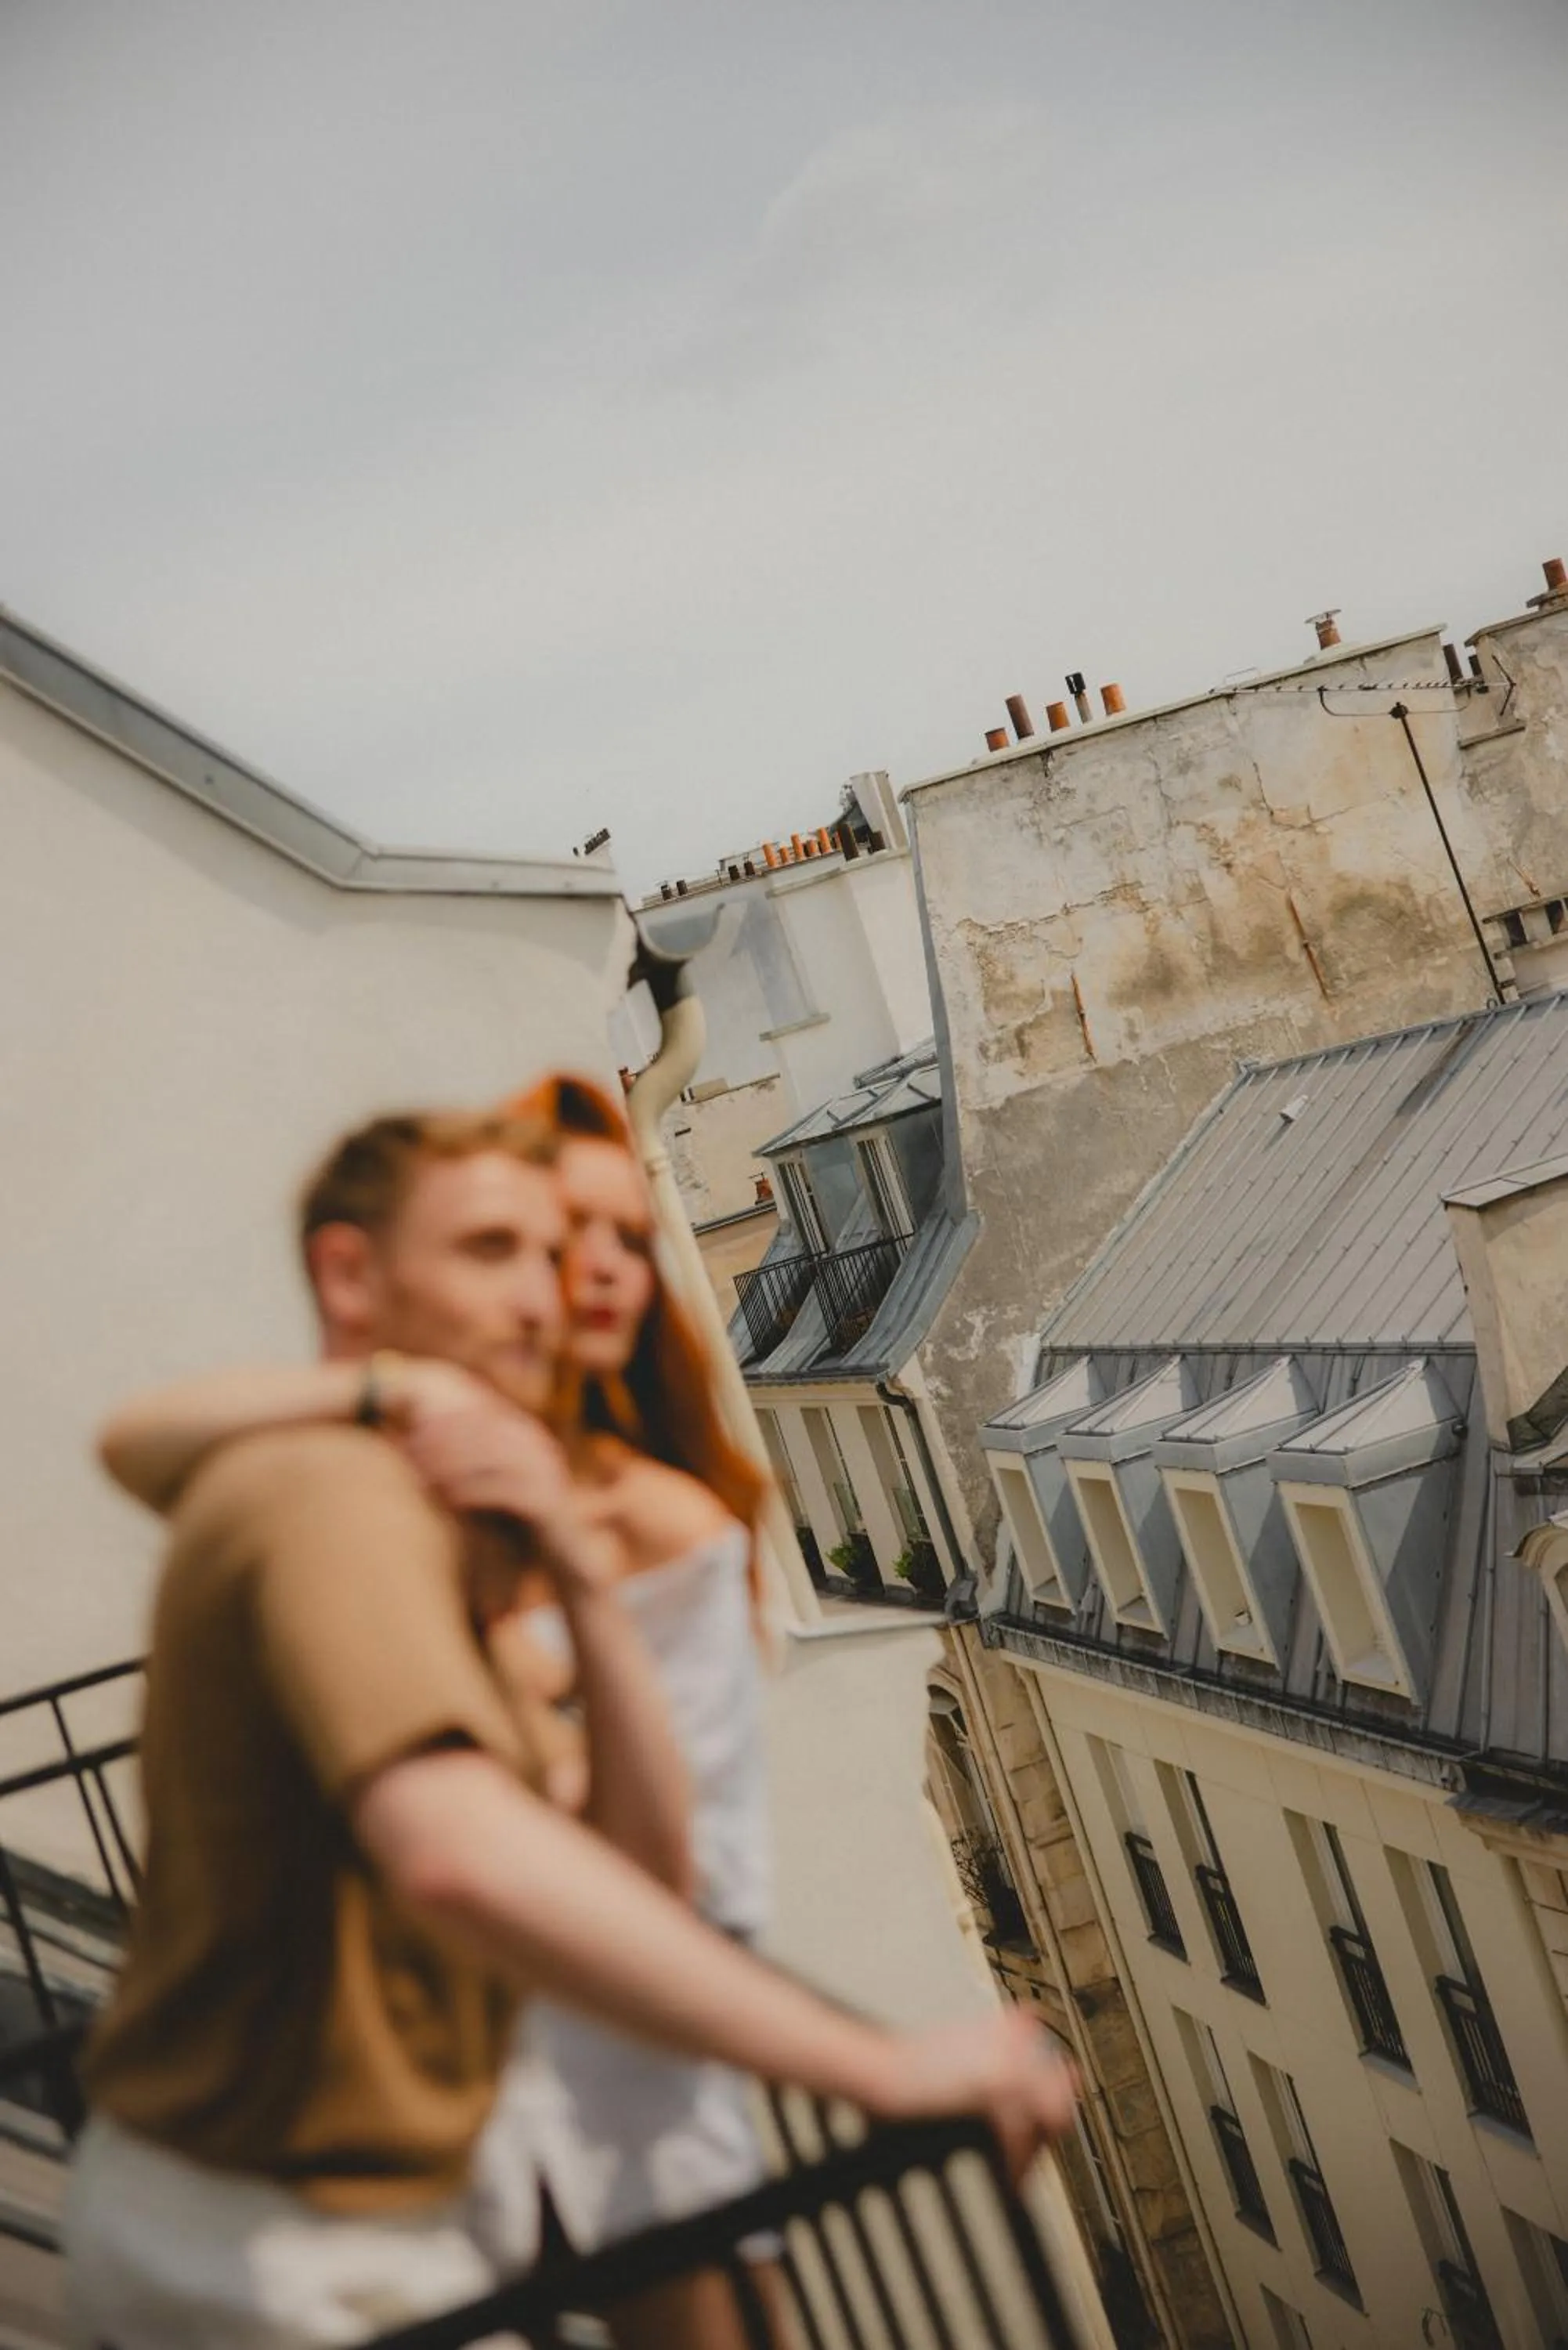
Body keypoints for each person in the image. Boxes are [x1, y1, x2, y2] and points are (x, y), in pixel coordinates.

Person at [70, 1103, 1075, 2350]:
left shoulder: (434, 1528)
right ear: (350, 1272)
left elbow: (640, 1871)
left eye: (550, 1259)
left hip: (342, 2229)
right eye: (491, 1249)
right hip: (276, 2251)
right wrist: (877, 2075)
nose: (543, 1297)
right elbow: (456, 1849)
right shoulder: (328, 1495)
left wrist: (574, 1572)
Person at [105, 1073, 783, 2350]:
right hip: (472, 2046)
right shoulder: (423, 1487)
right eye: (547, 1239)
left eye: (626, 1242)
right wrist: (390, 1390)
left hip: (626, 2024)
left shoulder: (653, 1516)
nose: (586, 1273)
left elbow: (665, 1859)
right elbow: (139, 1441)